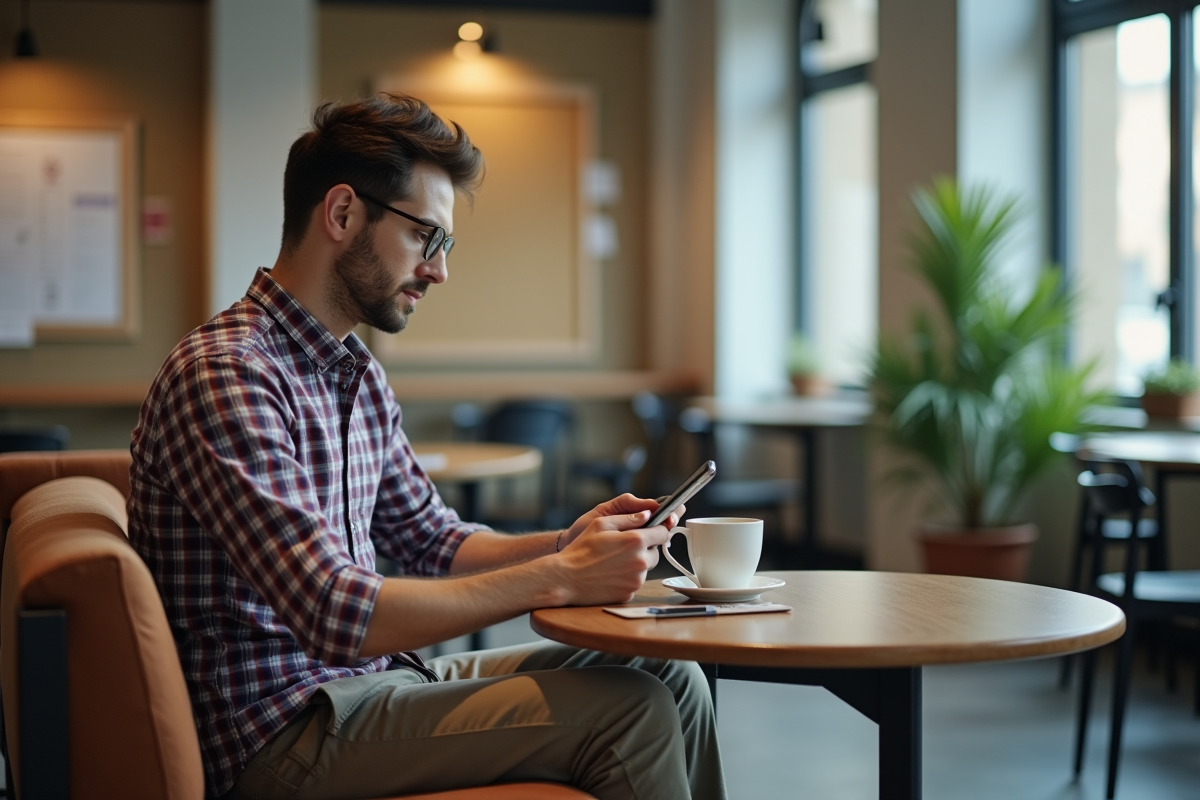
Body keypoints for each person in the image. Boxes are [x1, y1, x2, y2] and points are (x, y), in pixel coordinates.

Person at [127, 93, 726, 800]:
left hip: (364, 688)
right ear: (343, 214)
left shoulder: (357, 374)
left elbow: (432, 538)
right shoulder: (227, 374)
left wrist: (566, 543)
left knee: (670, 676)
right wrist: (562, 579)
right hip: (281, 733)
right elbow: (331, 610)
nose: (439, 271)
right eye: (426, 238)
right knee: (632, 710)